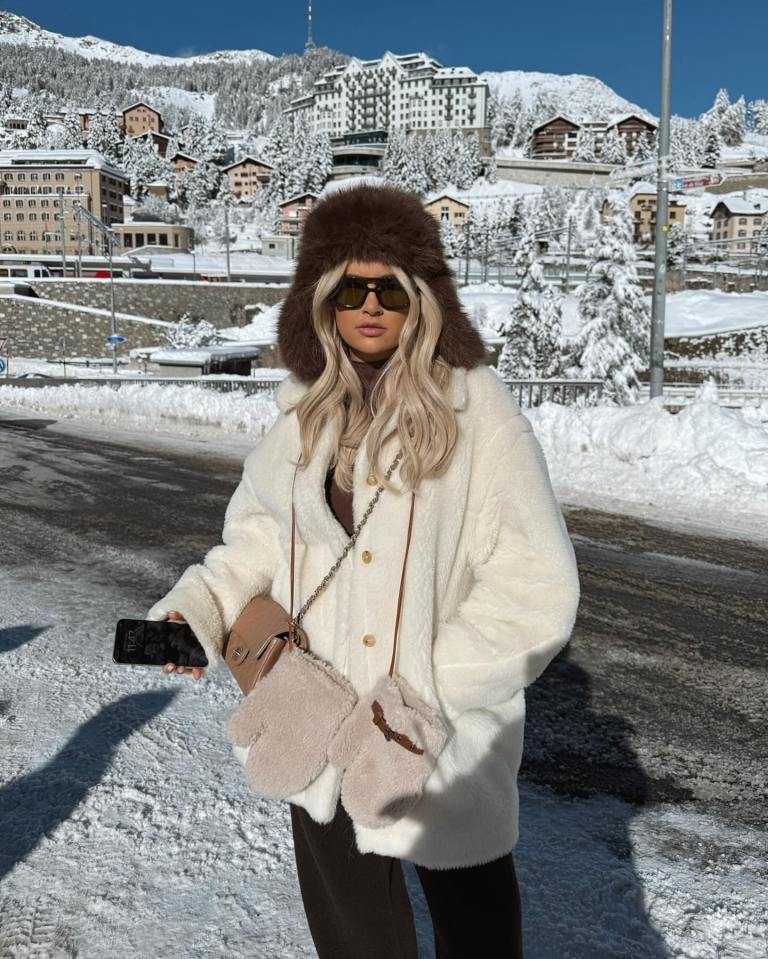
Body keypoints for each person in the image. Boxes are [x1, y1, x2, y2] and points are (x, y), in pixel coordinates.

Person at [148, 182, 581, 958]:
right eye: (352, 287)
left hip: (435, 735)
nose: (371, 303)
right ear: (324, 302)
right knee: (355, 937)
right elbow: (248, 549)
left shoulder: (479, 415)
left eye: (391, 288)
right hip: (315, 721)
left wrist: (426, 697)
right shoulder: (301, 421)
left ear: (421, 299)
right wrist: (195, 618)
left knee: (475, 925)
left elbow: (537, 588)